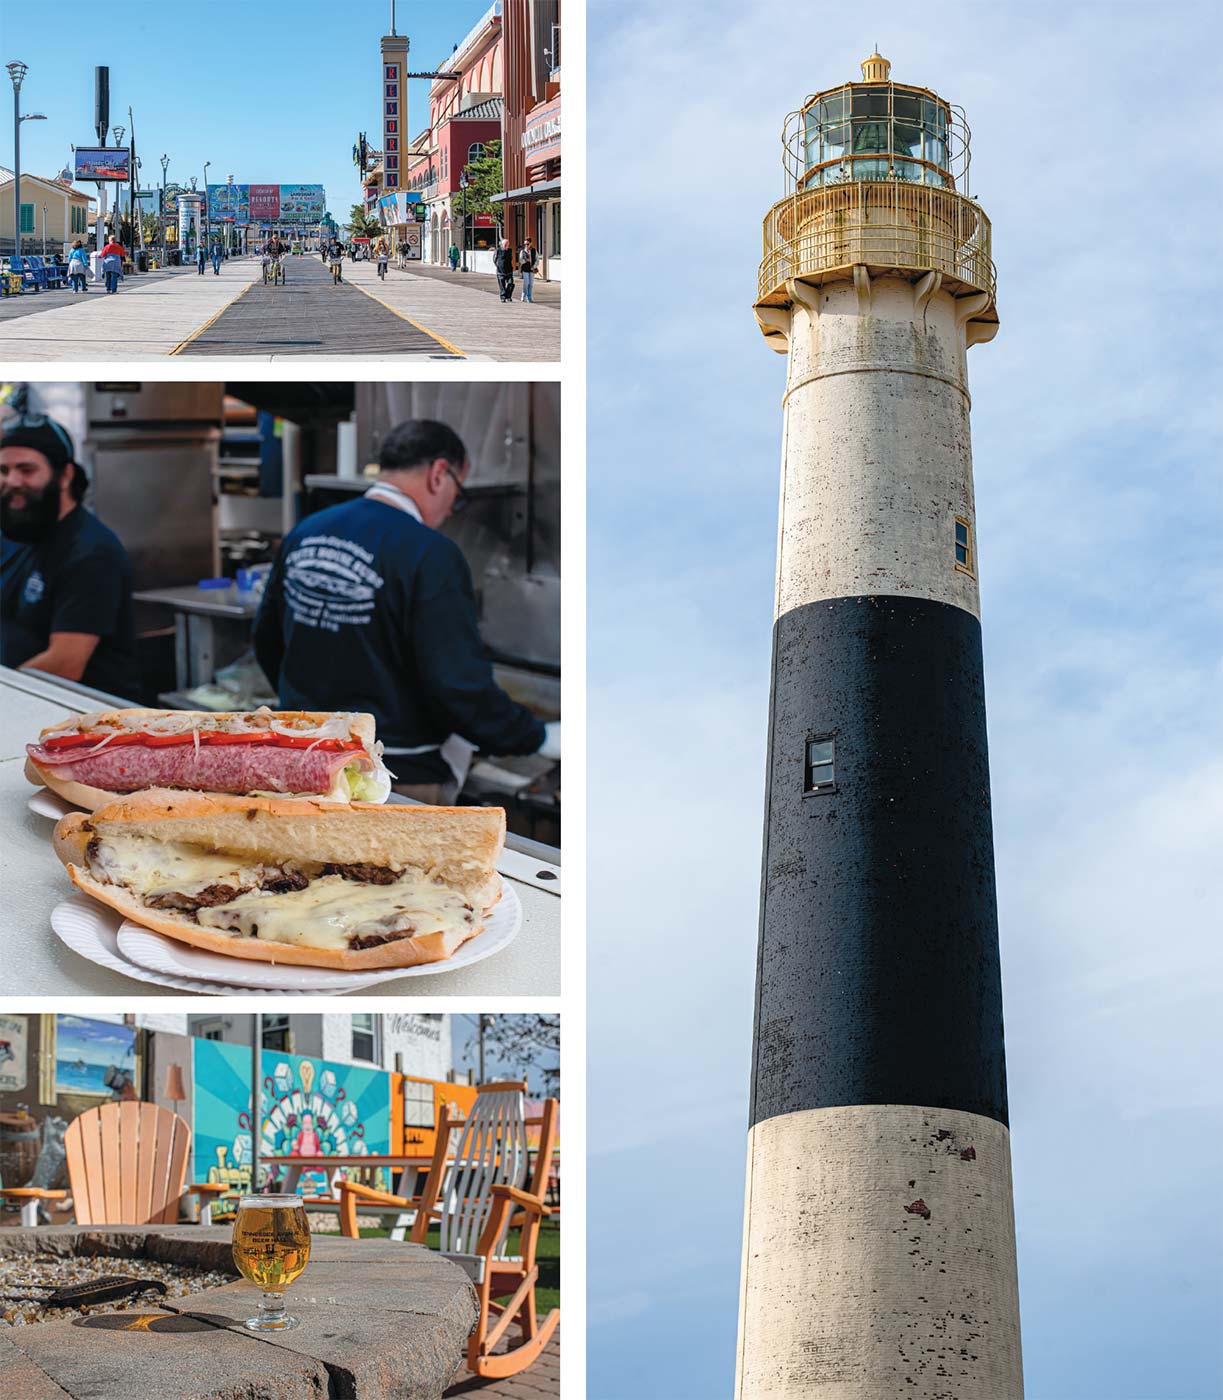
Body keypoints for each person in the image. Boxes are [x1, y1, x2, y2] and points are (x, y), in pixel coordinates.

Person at [254, 419, 559, 804]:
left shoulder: (306, 530)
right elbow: (457, 685)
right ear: (438, 475)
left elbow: (266, 639)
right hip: (392, 775)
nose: (451, 509)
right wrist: (536, 736)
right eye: (457, 493)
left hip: (306, 758)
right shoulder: (431, 553)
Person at [1, 413, 137, 696]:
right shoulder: (17, 531)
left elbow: (64, 664)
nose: (12, 481)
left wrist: (6, 694)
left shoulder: (91, 553)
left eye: (26, 470)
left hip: (80, 716)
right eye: (3, 470)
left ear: (65, 475)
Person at [494, 238, 515, 302]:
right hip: (500, 271)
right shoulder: (498, 251)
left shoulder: (510, 251)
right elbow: (494, 259)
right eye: (505, 244)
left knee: (511, 283)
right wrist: (498, 266)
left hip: (509, 271)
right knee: (502, 285)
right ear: (502, 245)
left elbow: (511, 258)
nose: (507, 246)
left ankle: (508, 296)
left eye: (507, 244)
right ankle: (503, 297)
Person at [518, 238, 538, 303]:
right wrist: (525, 260)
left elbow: (537, 260)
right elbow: (520, 260)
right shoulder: (522, 251)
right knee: (526, 283)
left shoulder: (534, 251)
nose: (526, 245)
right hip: (525, 269)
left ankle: (529, 297)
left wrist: (534, 266)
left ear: (530, 243)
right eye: (525, 244)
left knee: (531, 284)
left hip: (532, 270)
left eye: (527, 244)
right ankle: (523, 296)